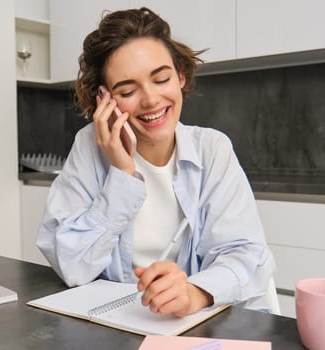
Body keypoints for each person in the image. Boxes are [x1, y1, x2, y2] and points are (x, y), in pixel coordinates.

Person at [36, 7, 276, 317]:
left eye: (161, 78)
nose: (150, 100)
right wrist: (122, 174)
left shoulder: (212, 149)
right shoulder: (89, 147)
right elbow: (72, 267)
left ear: (180, 77)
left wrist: (195, 293)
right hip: (118, 325)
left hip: (192, 325)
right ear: (105, 99)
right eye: (127, 90)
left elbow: (245, 255)